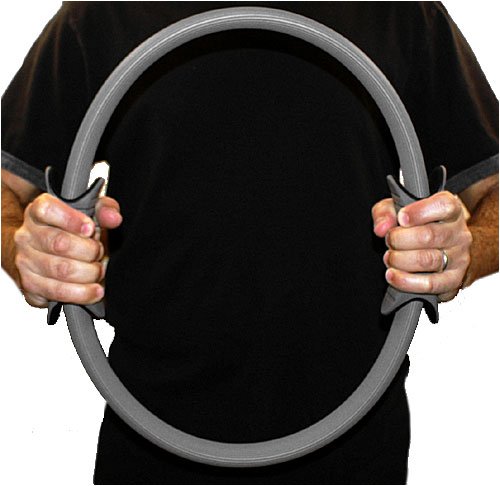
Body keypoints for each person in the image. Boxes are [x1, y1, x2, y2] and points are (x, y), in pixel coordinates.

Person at [1, 2, 498, 484]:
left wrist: (462, 249)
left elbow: (493, 193)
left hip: (357, 443)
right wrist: (32, 252)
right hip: (150, 437)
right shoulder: (103, 11)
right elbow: (6, 191)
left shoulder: (401, 11)